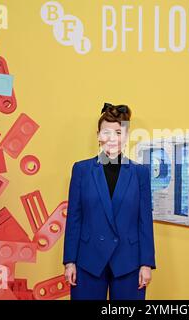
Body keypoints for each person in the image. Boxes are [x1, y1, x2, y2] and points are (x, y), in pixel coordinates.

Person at [63, 103, 156, 300]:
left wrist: (146, 263)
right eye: (106, 132)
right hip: (88, 260)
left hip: (128, 261)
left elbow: (144, 221)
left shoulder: (140, 173)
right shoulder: (81, 170)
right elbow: (74, 219)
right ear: (98, 135)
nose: (112, 138)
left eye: (118, 132)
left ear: (126, 136)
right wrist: (69, 261)